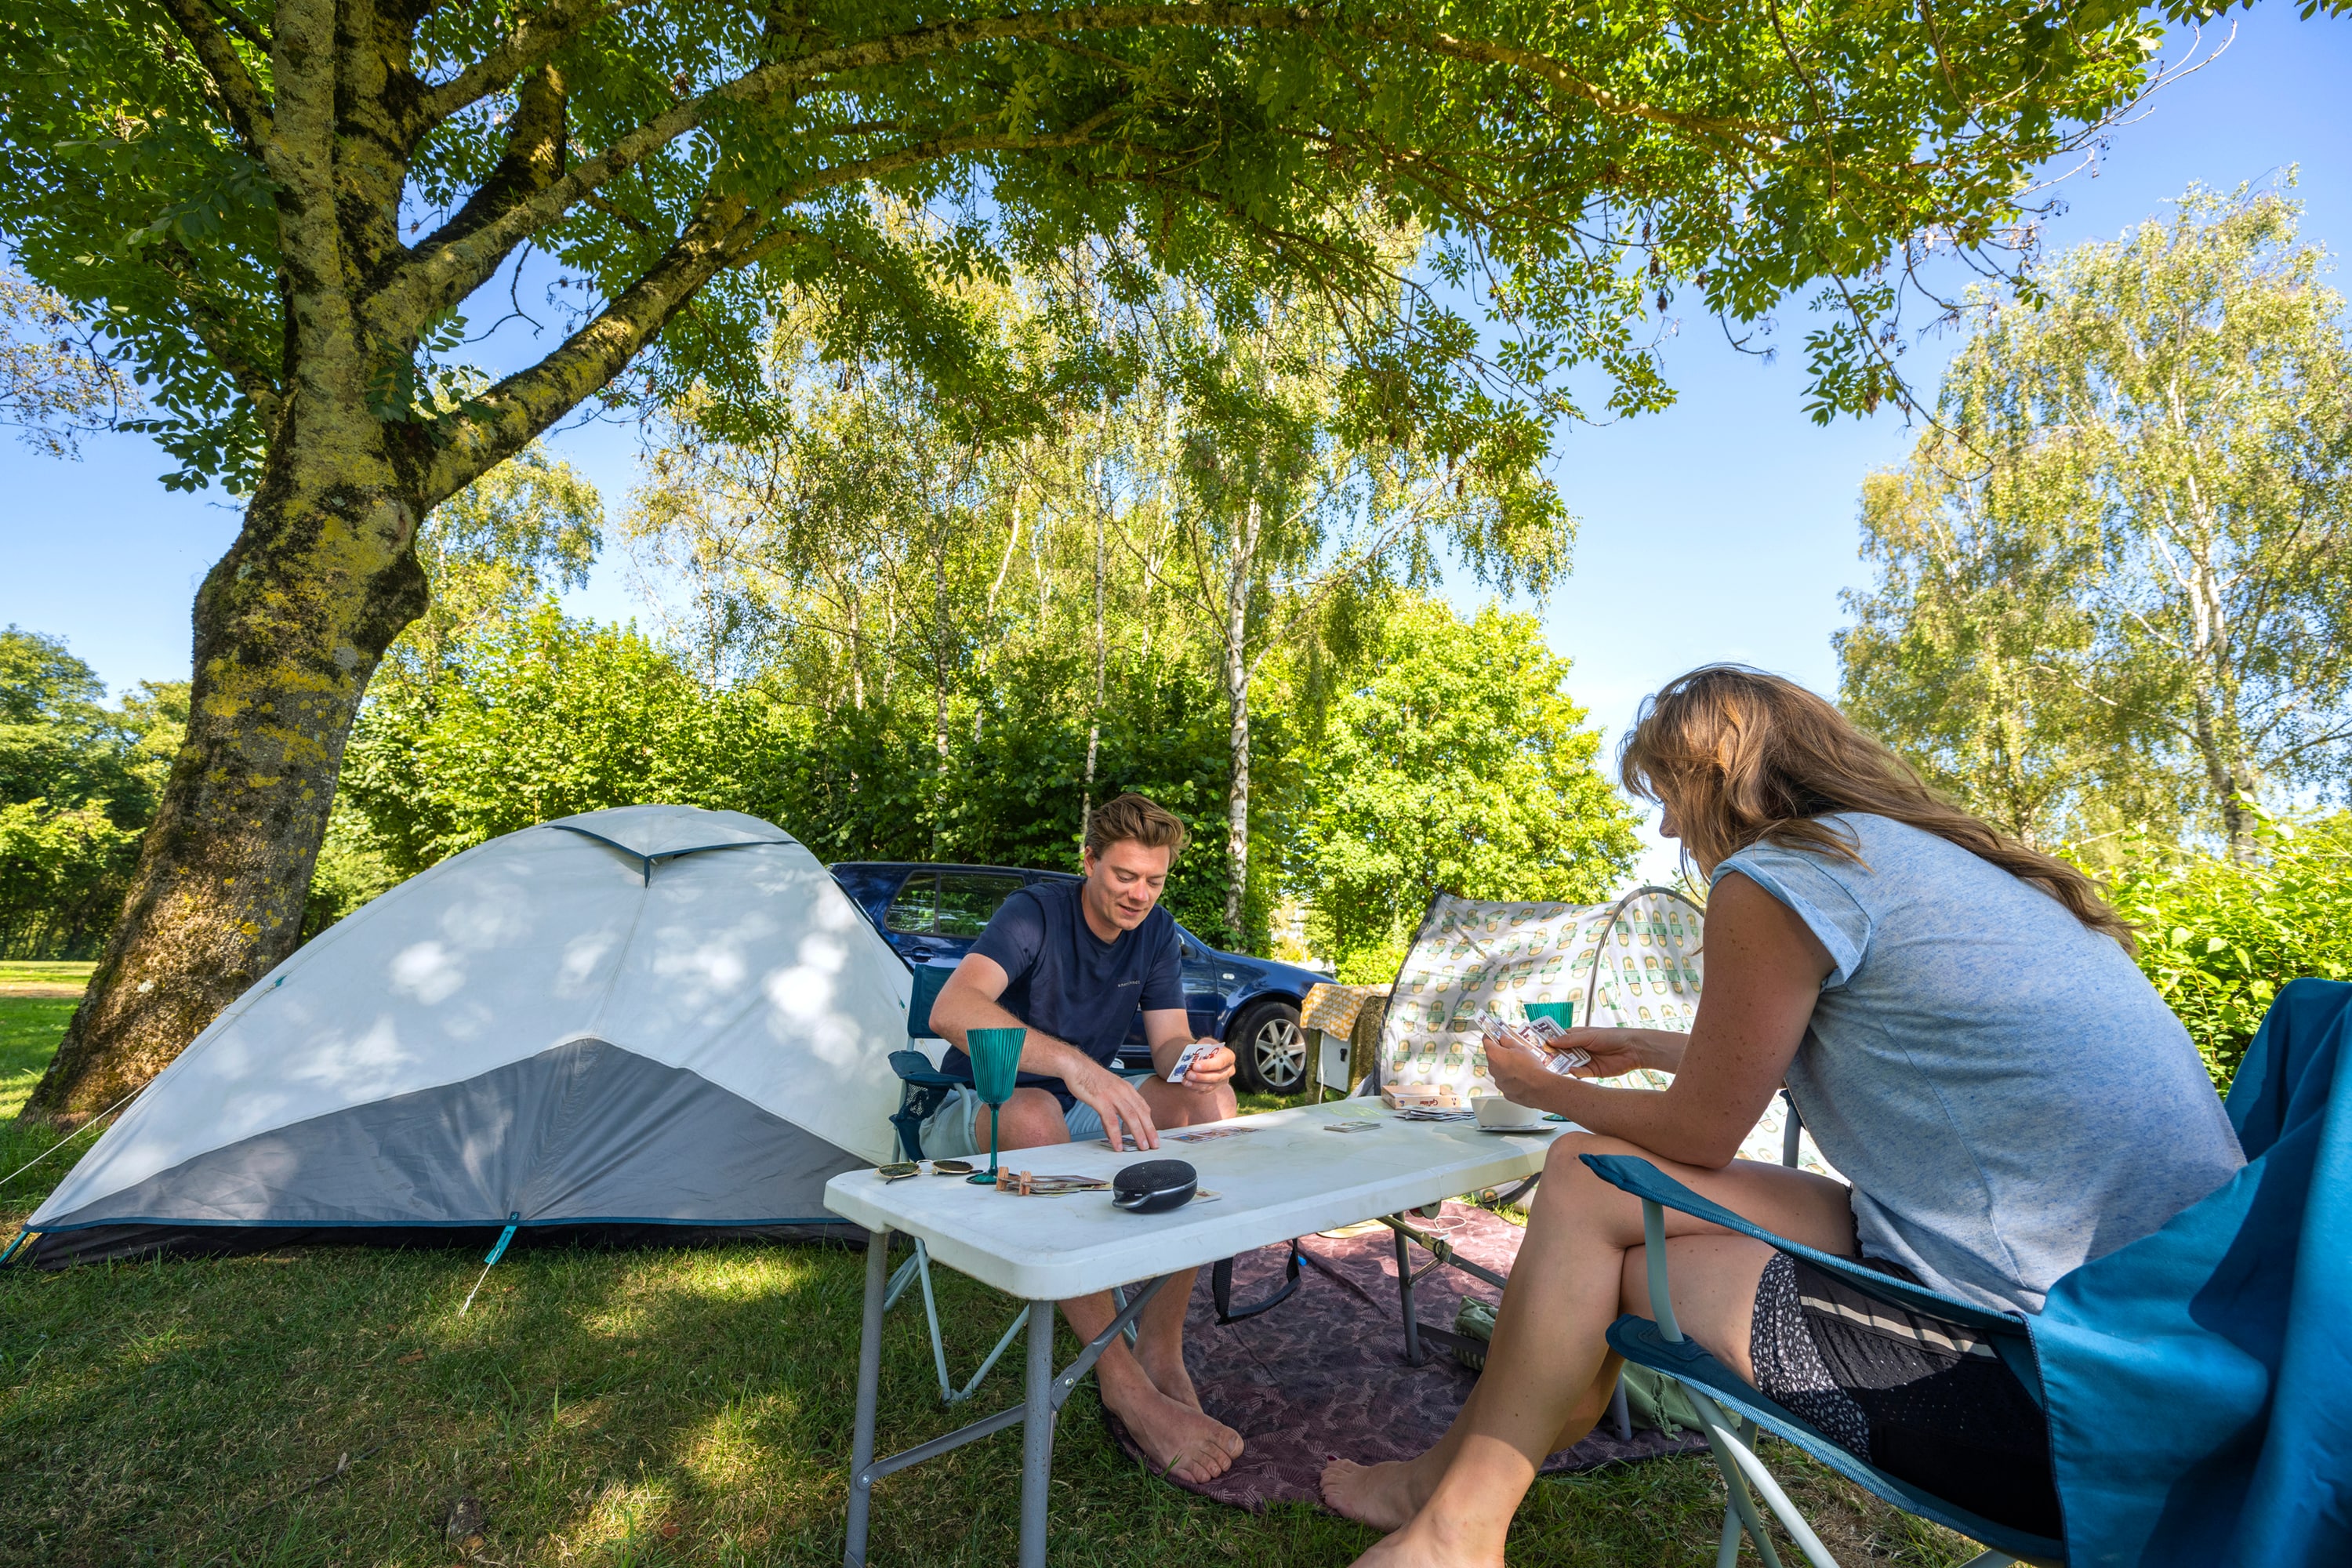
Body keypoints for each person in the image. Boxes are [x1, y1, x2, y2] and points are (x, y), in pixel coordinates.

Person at [1321, 665, 2245, 1566]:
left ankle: (1465, 1512)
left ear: (1712, 775)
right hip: (2196, 1345)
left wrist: (1544, 1087)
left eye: (1665, 793)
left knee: (1599, 1200)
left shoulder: (1781, 873)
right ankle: (1462, 1480)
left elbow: (1701, 1132)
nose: (1665, 824)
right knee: (1592, 1190)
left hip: (2058, 1396)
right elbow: (1859, 1045)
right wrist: (1644, 1044)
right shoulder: (1921, 863)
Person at [926, 791, 1247, 1483]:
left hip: (1077, 1104)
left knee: (1212, 1103)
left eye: (1154, 880)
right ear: (1089, 861)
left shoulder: (1155, 932)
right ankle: (1121, 1382)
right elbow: (952, 1009)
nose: (1139, 895)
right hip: (982, 1104)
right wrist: (1075, 1064)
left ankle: (1161, 1346)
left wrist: (1199, 1059)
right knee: (1035, 1115)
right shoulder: (1034, 914)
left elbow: (1167, 1047)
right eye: (1124, 876)